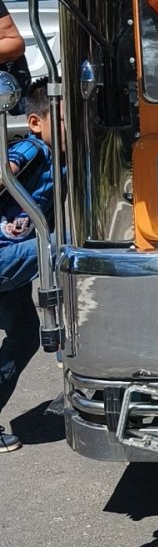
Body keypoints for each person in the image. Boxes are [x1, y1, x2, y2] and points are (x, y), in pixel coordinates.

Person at [0, 73, 54, 452]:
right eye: (63, 120)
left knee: (23, 336)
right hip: (5, 254)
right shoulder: (33, 149)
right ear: (35, 122)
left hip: (14, 267)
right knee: (60, 246)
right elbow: (8, 169)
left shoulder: (64, 158)